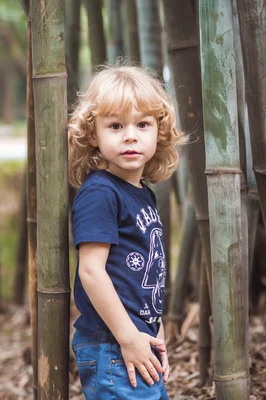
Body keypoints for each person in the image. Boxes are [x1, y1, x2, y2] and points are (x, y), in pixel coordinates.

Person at [67, 64, 183, 399]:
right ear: (93, 135)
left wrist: (153, 332)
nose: (130, 135)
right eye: (115, 125)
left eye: (142, 124)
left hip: (135, 338)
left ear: (158, 132)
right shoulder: (101, 192)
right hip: (112, 343)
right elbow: (91, 271)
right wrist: (127, 337)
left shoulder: (143, 193)